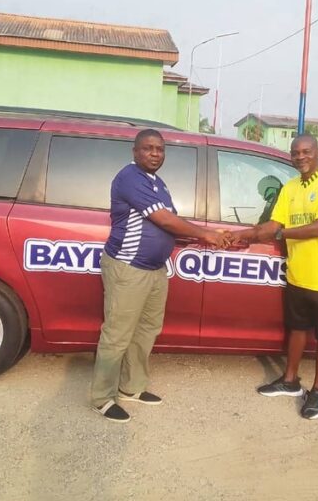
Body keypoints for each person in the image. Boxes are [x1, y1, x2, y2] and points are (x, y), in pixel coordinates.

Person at [90, 129, 230, 423]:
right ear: (135, 151)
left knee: (146, 331)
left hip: (154, 269)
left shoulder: (158, 184)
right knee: (117, 334)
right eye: (148, 148)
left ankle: (132, 387)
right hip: (129, 268)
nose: (155, 154)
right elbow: (163, 219)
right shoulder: (129, 178)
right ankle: (103, 397)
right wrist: (206, 234)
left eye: (160, 149)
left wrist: (205, 237)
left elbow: (172, 225)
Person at [231, 135, 318, 420]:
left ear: (317, 153)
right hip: (298, 273)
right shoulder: (291, 188)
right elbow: (272, 224)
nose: (300, 157)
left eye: (306, 152)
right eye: (296, 153)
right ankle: (290, 381)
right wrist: (239, 235)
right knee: (296, 329)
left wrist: (281, 234)